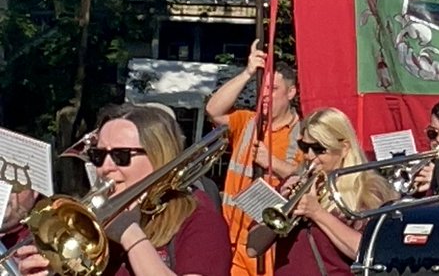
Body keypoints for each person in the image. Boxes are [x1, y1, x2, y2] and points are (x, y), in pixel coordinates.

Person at [14, 105, 231, 276]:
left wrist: (130, 233)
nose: (105, 167)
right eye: (99, 156)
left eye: (121, 156)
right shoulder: (90, 227)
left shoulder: (200, 221)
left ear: (158, 156)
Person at [205, 41, 304, 276]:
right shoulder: (248, 121)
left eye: (274, 89)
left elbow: (306, 177)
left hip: (266, 246)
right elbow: (213, 110)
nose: (266, 95)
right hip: (229, 239)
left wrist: (272, 163)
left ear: (291, 92)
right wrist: (248, 73)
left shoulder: (303, 134)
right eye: (263, 88)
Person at [273, 108, 395, 276]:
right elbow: (253, 247)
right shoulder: (291, 185)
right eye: (304, 147)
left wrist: (317, 213)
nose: (309, 156)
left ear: (344, 148)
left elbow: (367, 251)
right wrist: (280, 202)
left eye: (318, 149)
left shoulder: (369, 190)